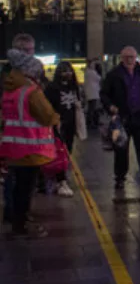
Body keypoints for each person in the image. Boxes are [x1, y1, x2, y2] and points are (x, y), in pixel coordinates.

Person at [0, 47, 59, 238]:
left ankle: (19, 220)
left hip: (14, 146)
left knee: (18, 187)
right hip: (30, 147)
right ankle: (21, 224)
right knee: (26, 188)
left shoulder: (10, 90)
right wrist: (57, 118)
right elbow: (47, 116)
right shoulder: (31, 92)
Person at [101, 46, 140, 189]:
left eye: (132, 57)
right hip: (122, 118)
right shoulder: (114, 74)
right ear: (121, 58)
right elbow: (104, 94)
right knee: (121, 149)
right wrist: (110, 107)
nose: (129, 60)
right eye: (126, 57)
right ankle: (120, 177)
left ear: (135, 58)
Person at [2, 33, 37, 226]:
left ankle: (19, 212)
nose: (32, 53)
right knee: (15, 176)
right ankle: (15, 214)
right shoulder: (11, 73)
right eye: (29, 50)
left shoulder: (29, 72)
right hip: (14, 132)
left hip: (27, 132)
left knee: (23, 176)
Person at [44, 61, 83, 198]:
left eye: (69, 71)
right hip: (57, 124)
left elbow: (77, 104)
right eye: (64, 71)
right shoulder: (52, 88)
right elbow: (48, 106)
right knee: (59, 151)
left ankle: (60, 178)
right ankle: (61, 180)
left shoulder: (74, 87)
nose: (68, 74)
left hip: (71, 123)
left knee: (68, 150)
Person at [84, 61, 102, 129]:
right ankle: (91, 123)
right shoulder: (92, 72)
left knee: (91, 108)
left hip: (90, 93)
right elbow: (99, 78)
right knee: (92, 109)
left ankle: (90, 122)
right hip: (93, 93)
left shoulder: (87, 72)